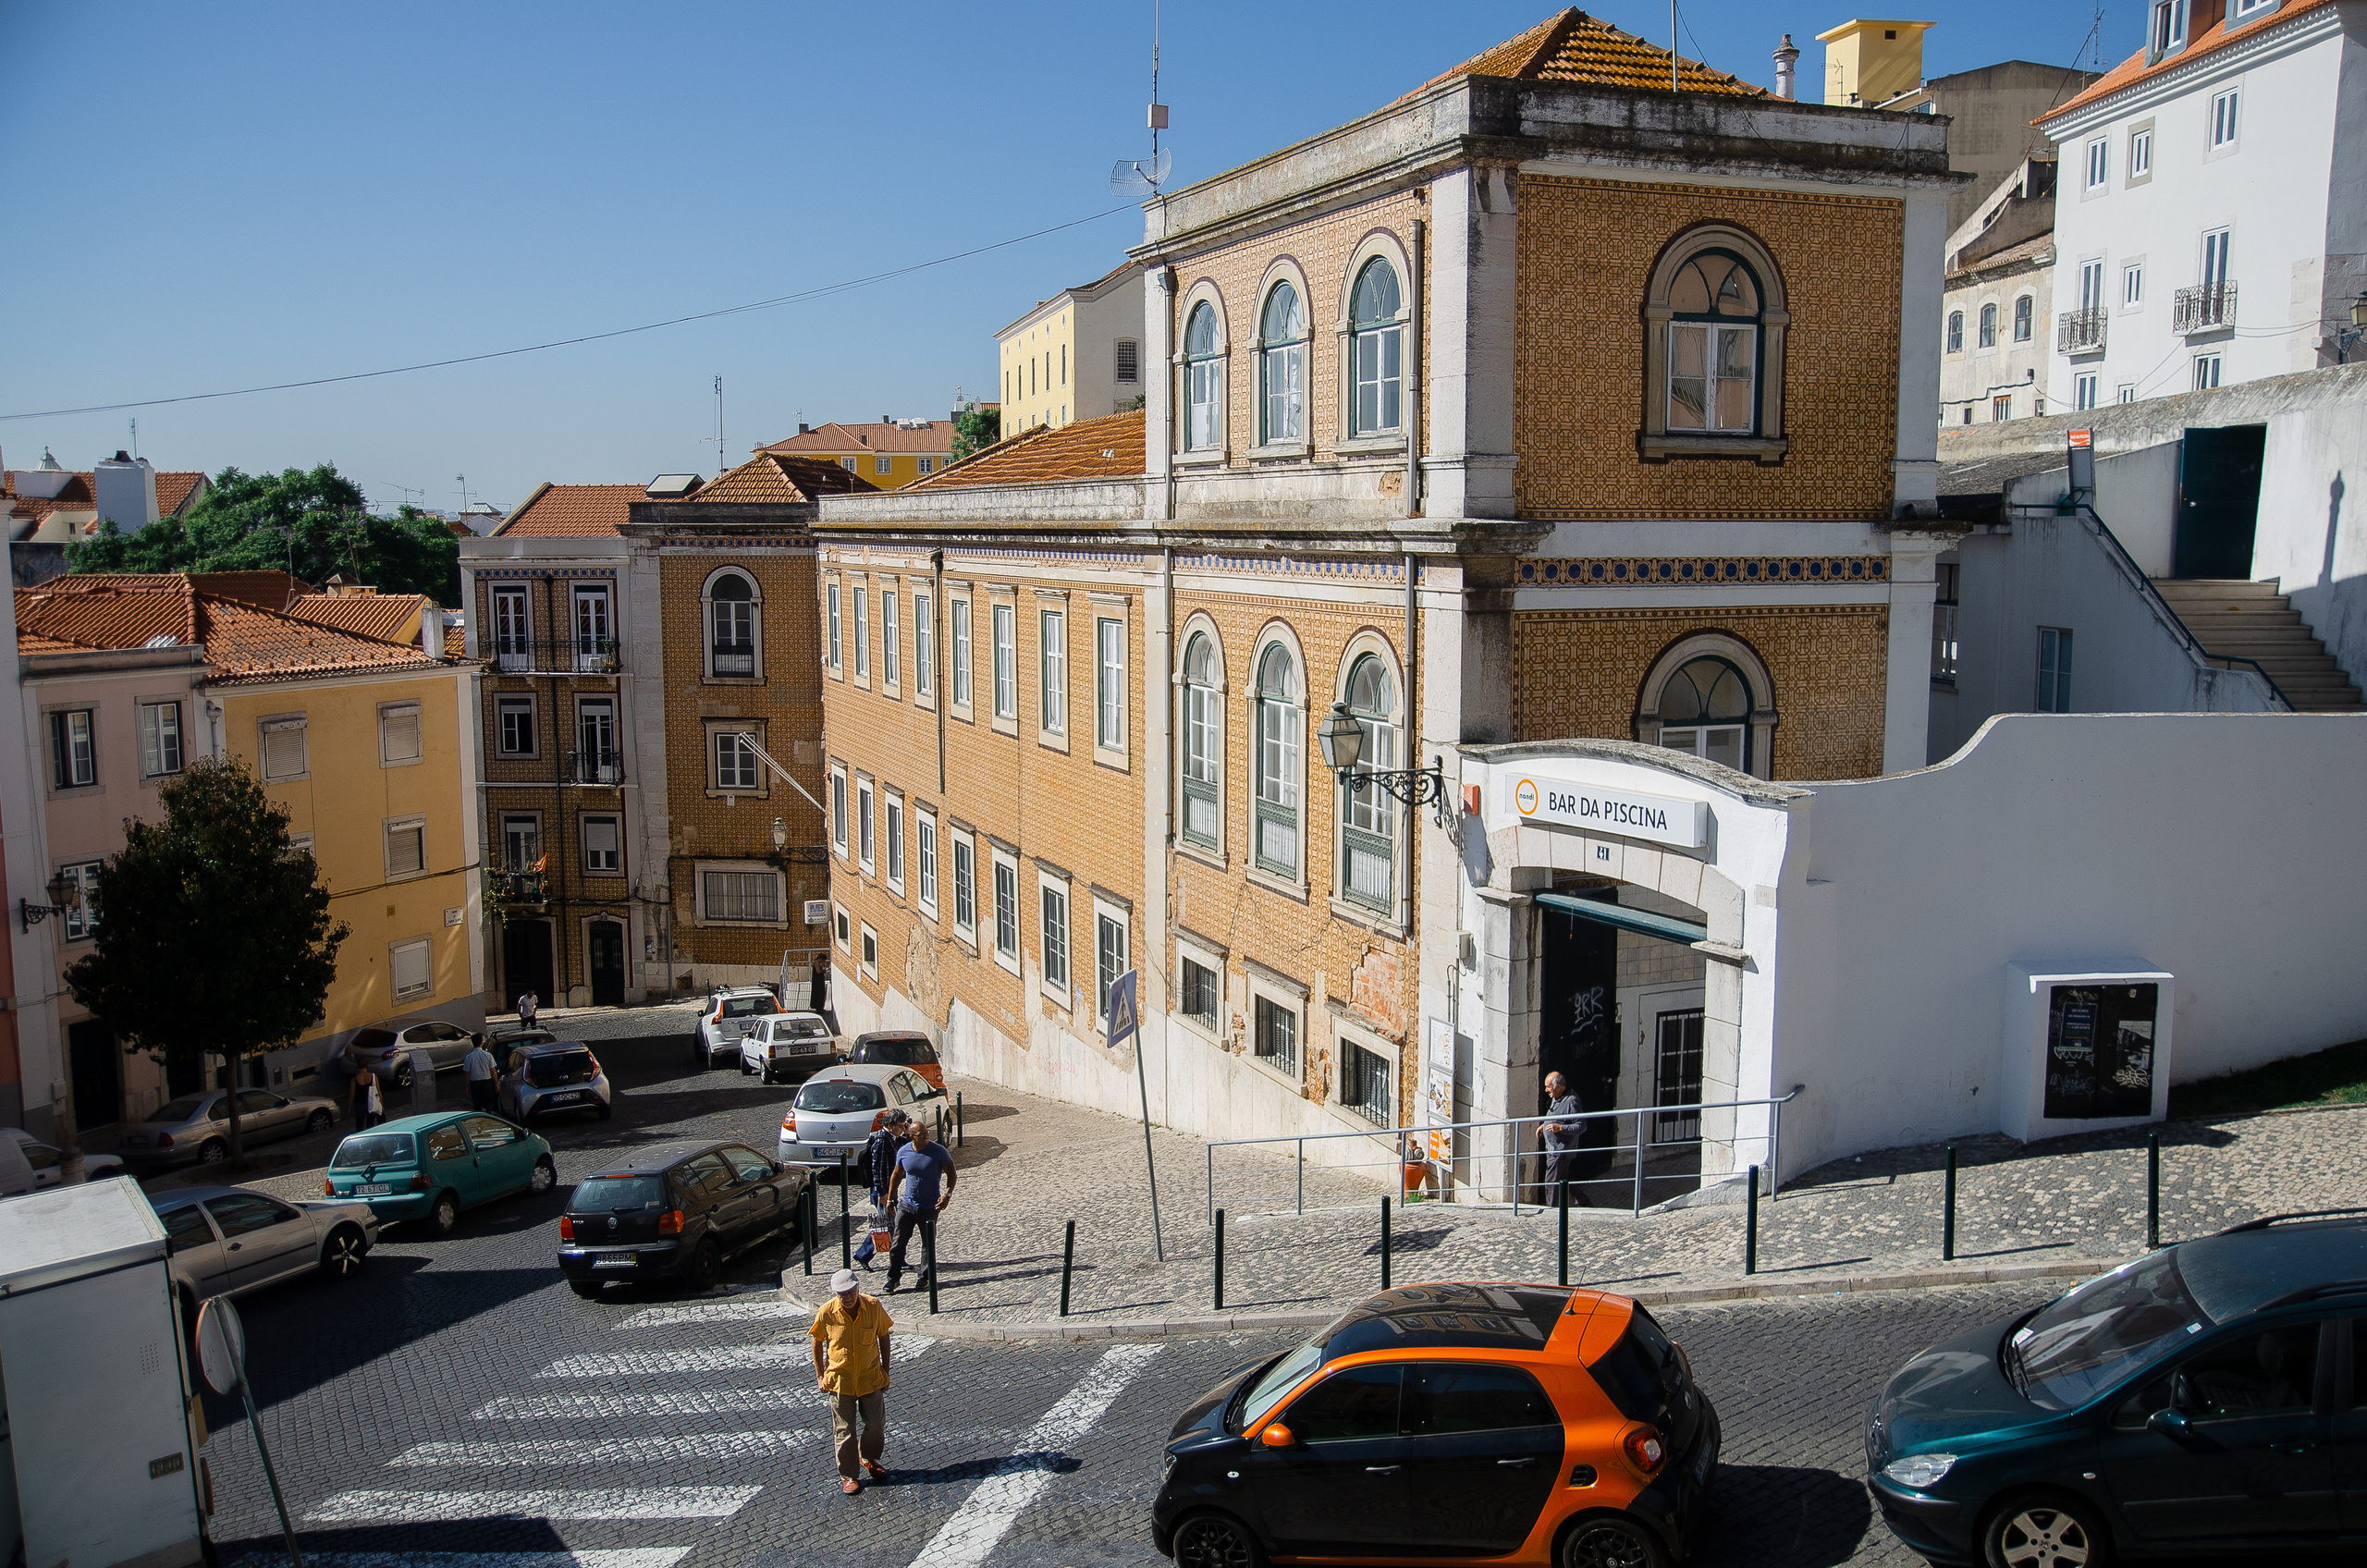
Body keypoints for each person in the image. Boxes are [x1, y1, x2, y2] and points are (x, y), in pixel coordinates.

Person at [809, 1267, 893, 1495]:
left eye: (849, 1292)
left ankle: (869, 1458)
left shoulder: (874, 1307)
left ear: (858, 1288)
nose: (846, 1298)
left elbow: (883, 1335)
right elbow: (817, 1341)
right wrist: (820, 1375)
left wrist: (886, 1370)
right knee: (844, 1430)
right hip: (840, 1380)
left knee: (876, 1423)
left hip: (870, 1377)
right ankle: (849, 1476)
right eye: (841, 1294)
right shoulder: (826, 1312)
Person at [882, 1119, 955, 1295]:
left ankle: (924, 1276)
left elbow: (952, 1173)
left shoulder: (938, 1151)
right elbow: (896, 1175)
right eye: (921, 1135)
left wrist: (947, 1195)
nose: (926, 1137)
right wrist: (890, 1199)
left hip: (930, 1206)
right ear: (912, 1137)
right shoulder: (904, 1152)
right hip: (907, 1205)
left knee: (927, 1244)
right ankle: (893, 1278)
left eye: (926, 1133)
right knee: (898, 1243)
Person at [852, 1109, 911, 1270]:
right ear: (890, 1125)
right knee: (884, 1226)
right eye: (901, 1125)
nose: (903, 1128)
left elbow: (906, 1145)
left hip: (890, 1188)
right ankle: (863, 1255)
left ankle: (896, 1258)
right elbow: (877, 1169)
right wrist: (882, 1193)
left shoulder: (892, 1137)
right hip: (883, 1191)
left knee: (891, 1225)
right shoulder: (881, 1140)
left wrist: (906, 1132)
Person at [1539, 1070, 1583, 1206]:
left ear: (1557, 1087)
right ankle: (1584, 1202)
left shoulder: (1572, 1101)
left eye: (1548, 1087)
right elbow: (1553, 1115)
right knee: (1563, 1180)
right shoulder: (1556, 1097)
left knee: (1551, 1182)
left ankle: (1550, 1210)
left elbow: (1581, 1126)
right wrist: (1544, 1126)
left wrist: (1561, 1128)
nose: (1546, 1090)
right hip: (1553, 1147)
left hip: (1560, 1150)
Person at [463, 1036, 500, 1114]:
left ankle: (480, 1116)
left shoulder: (469, 1057)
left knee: (477, 1103)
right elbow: (493, 1071)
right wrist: (496, 1083)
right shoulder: (488, 1055)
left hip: (475, 1083)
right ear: (482, 1043)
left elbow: (467, 1073)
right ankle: (489, 1114)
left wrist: (467, 1086)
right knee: (489, 1101)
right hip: (487, 1081)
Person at [350, 1064, 383, 1131]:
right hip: (371, 1103)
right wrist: (381, 1104)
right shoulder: (373, 1077)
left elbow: (352, 1095)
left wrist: (349, 1107)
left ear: (358, 1067)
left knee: (359, 1125)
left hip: (359, 1104)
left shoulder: (354, 1079)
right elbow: (378, 1091)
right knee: (370, 1125)